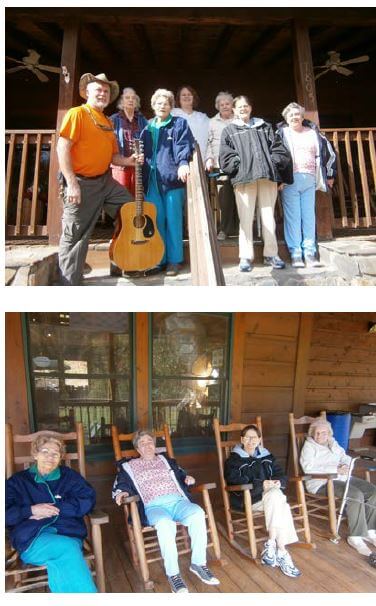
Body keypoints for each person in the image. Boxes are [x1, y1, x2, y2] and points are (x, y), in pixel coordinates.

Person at [57, 72, 141, 286]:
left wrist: (130, 161)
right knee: (75, 235)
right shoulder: (77, 113)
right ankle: (69, 286)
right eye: (98, 90)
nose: (103, 94)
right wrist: (72, 183)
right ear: (87, 92)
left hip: (105, 181)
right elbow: (63, 147)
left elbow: (113, 156)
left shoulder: (106, 121)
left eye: (106, 91)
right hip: (81, 182)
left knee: (132, 211)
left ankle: (119, 260)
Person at [112, 429, 220, 593]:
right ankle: (173, 575)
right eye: (142, 443)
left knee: (197, 513)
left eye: (150, 442)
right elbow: (121, 484)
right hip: (154, 506)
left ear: (154, 444)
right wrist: (122, 493)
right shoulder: (129, 466)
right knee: (164, 523)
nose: (147, 445)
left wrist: (187, 478)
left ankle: (198, 563)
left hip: (178, 502)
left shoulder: (166, 460)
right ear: (137, 448)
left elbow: (181, 473)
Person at [6, 432, 97, 593]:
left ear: (60, 457)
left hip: (68, 532)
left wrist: (56, 509)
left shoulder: (70, 477)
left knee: (66, 550)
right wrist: (30, 510)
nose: (50, 457)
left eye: (55, 453)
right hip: (31, 538)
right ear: (35, 454)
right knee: (68, 550)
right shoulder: (18, 481)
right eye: (45, 452)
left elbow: (87, 499)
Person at [219, 95, 293, 273]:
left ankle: (271, 255)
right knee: (245, 218)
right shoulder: (229, 130)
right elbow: (225, 156)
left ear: (251, 108)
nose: (243, 109)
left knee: (269, 218)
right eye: (239, 107)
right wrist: (239, 166)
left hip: (267, 177)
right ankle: (245, 256)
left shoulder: (265, 127)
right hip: (244, 179)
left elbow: (279, 149)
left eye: (246, 106)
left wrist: (273, 164)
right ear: (234, 110)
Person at [224, 424, 301, 578]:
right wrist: (261, 484)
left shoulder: (266, 456)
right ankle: (280, 551)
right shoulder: (234, 460)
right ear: (241, 439)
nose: (251, 440)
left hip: (269, 498)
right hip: (249, 499)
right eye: (247, 437)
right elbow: (234, 480)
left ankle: (275, 546)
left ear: (259, 439)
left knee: (276, 496)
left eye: (254, 437)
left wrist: (278, 482)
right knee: (280, 502)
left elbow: (280, 473)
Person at [300, 418, 376, 557]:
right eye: (317, 433)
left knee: (373, 491)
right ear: (312, 434)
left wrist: (346, 465)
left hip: (342, 477)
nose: (320, 436)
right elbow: (308, 468)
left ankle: (370, 531)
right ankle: (356, 536)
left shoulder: (333, 443)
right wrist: (335, 469)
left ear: (329, 433)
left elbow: (345, 457)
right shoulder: (309, 446)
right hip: (321, 482)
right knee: (355, 495)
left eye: (323, 433)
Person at [140, 88, 194, 277]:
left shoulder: (179, 123)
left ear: (171, 106)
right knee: (156, 221)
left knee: (173, 220)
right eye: (159, 103)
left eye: (166, 103)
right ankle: (158, 259)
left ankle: (174, 260)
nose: (162, 106)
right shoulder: (147, 127)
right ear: (153, 106)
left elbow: (184, 145)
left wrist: (182, 163)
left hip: (172, 179)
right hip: (151, 180)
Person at [276, 102, 336, 267]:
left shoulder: (314, 133)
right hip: (290, 180)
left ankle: (309, 252)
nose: (295, 117)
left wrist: (330, 174)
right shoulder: (280, 134)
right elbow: (275, 158)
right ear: (286, 118)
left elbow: (329, 153)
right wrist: (279, 180)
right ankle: (296, 253)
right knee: (293, 217)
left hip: (310, 179)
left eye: (297, 114)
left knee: (308, 216)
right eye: (291, 115)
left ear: (302, 117)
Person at [205, 91, 238, 241]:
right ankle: (225, 229)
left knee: (242, 198)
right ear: (217, 107)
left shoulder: (239, 120)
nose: (225, 106)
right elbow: (208, 143)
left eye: (227, 104)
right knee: (224, 198)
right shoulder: (211, 122)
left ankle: (240, 229)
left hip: (241, 165)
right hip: (221, 165)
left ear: (232, 106)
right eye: (222, 104)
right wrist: (209, 159)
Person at [110, 87, 148, 196]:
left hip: (138, 166)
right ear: (122, 101)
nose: (131, 100)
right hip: (120, 166)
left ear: (137, 102)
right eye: (127, 98)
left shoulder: (142, 120)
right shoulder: (114, 119)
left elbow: (148, 139)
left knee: (137, 198)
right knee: (121, 198)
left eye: (133, 98)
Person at [172, 85, 210, 159]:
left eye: (189, 94)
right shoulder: (172, 114)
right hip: (178, 159)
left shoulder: (203, 117)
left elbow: (211, 137)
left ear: (194, 97)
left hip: (200, 158)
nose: (186, 97)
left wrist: (209, 157)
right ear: (178, 99)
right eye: (183, 95)